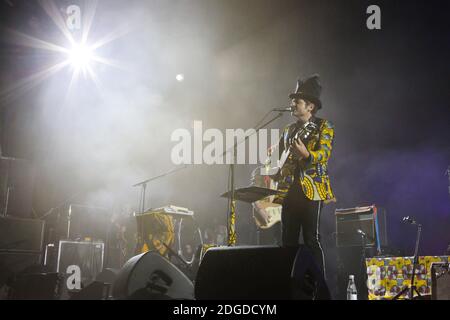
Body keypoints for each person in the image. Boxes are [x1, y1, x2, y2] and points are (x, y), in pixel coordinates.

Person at [274, 74, 336, 278]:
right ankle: (288, 283)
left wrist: (307, 155)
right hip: (289, 191)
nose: (292, 104)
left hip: (312, 191)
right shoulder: (288, 130)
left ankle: (319, 286)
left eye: (296, 101)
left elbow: (324, 155)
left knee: (311, 239)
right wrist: (275, 157)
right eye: (292, 100)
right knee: (288, 240)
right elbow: (283, 161)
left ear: (310, 106)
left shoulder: (324, 126)